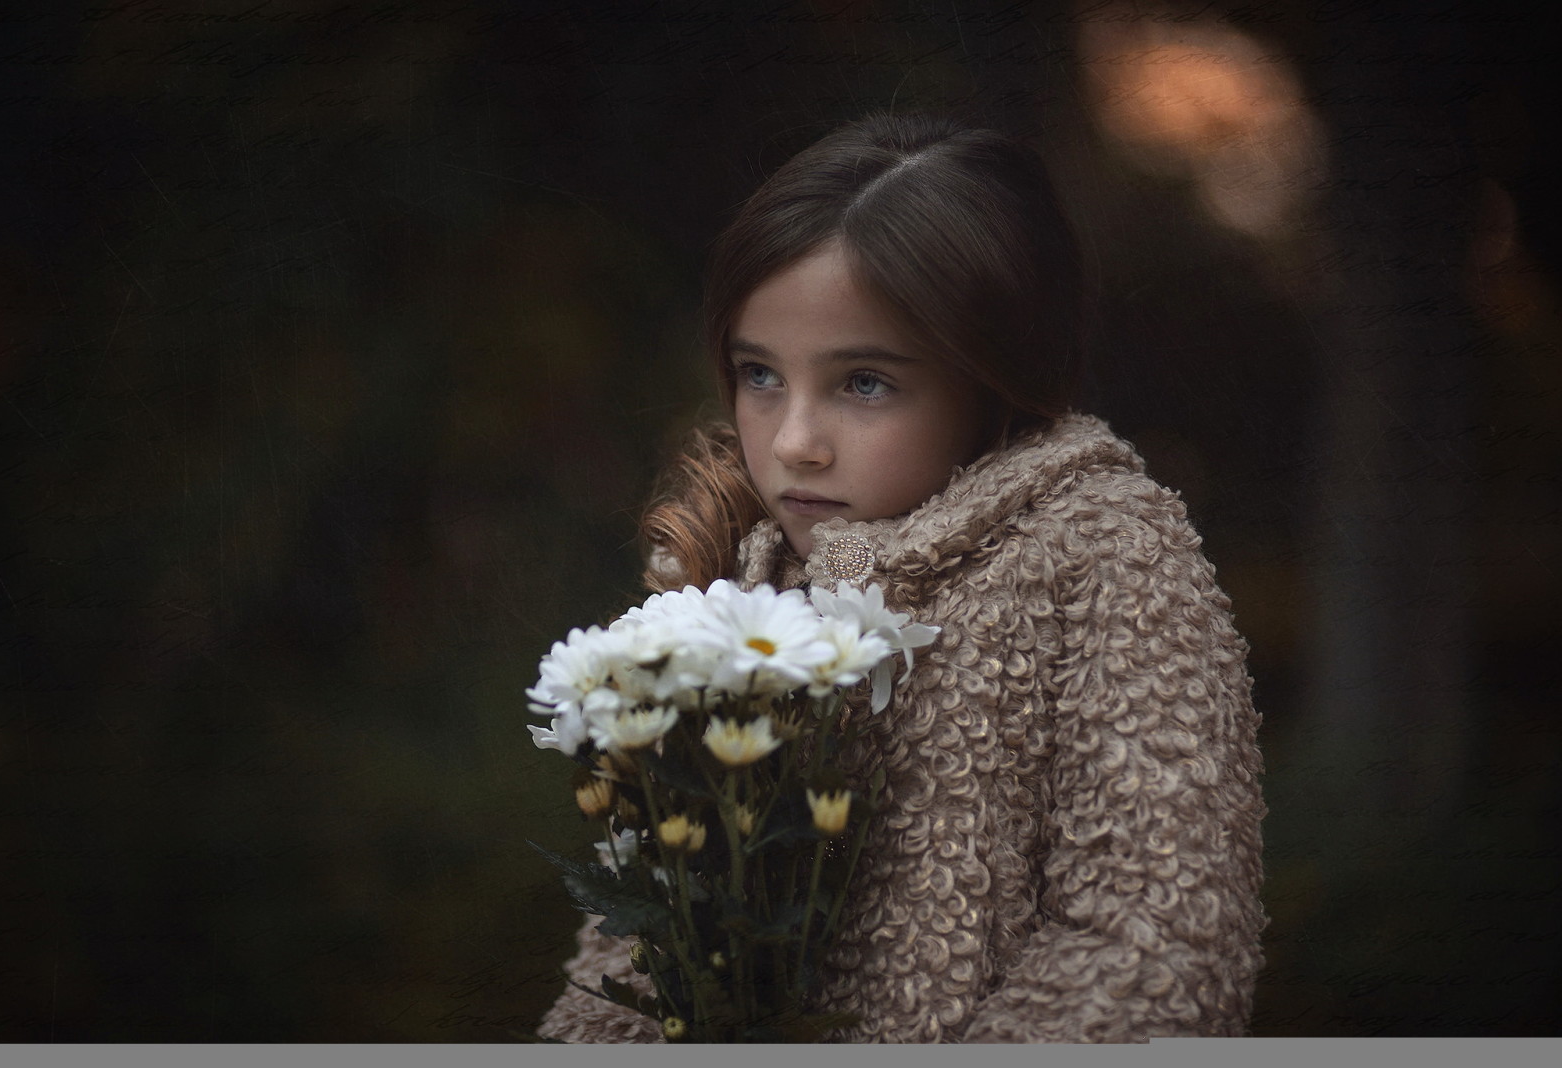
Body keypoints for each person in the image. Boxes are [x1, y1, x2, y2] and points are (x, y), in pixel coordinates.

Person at [536, 112, 1267, 1043]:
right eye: (759, 374)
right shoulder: (718, 587)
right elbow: (632, 951)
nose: (794, 442)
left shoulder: (1104, 554)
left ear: (991, 376)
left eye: (864, 383)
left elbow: (1155, 944)